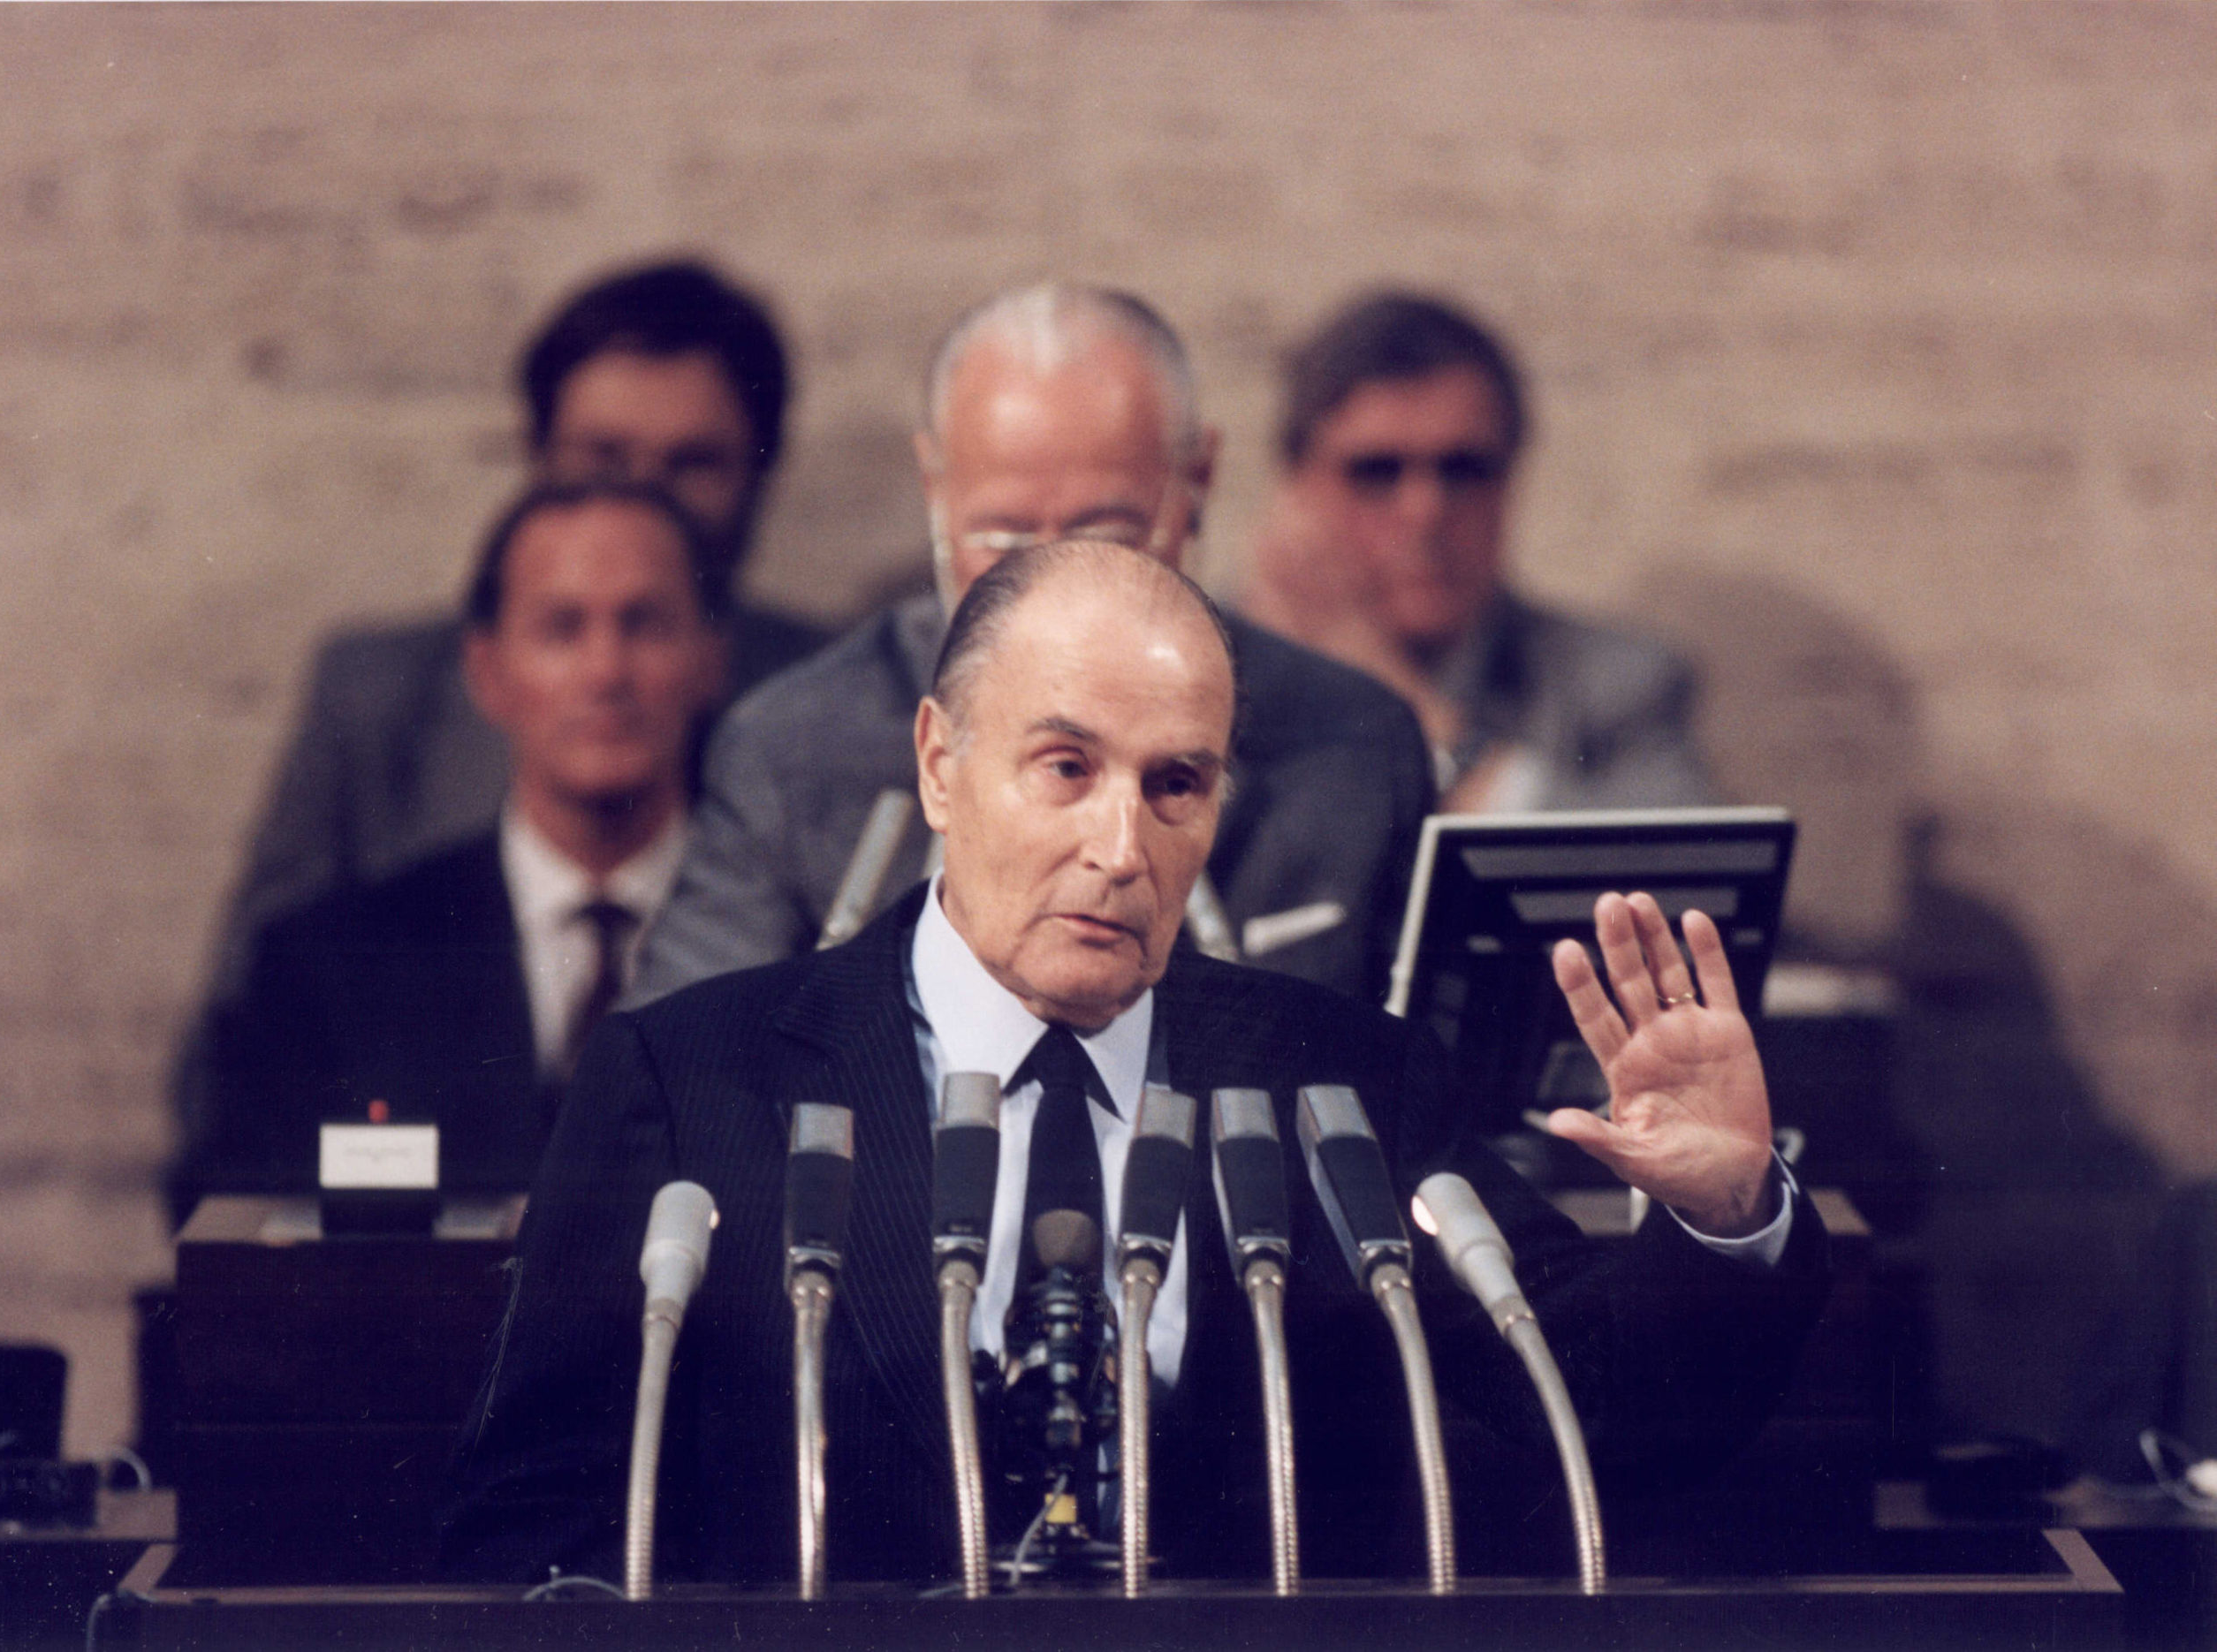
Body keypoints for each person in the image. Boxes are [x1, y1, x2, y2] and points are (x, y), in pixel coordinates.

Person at [441, 541, 1827, 1587]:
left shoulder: (1336, 1082)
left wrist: (1726, 1214)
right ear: (940, 763)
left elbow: (1583, 1415)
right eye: (1065, 767)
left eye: (1177, 783)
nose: (1124, 847)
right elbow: (534, 1525)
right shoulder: (694, 1081)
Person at [630, 284, 1432, 1006]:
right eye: (1003, 537)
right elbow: (678, 1081)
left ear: (1198, 478)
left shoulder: (1353, 745)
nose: (1056, 582)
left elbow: (1446, 1105)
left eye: (1107, 532)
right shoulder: (797, 746)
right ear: (935, 491)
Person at [204, 258, 827, 997]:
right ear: (537, 457)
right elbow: (251, 1023)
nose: (641, 499)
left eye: (692, 464)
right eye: (603, 458)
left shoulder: (839, 697)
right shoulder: (382, 700)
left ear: (758, 477)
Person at [168, 481, 725, 1221]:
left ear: (710, 659)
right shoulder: (329, 963)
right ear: (487, 672)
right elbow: (233, 1229)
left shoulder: (802, 944)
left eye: (644, 624)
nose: (606, 672)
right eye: (562, 628)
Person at [1244, 291, 1715, 815]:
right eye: (1377, 472)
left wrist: (1391, 700)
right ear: (1295, 490)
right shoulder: (1195, 674)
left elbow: (1681, 874)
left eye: (1464, 470)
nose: (1426, 512)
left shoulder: (1616, 683)